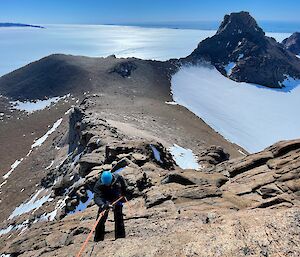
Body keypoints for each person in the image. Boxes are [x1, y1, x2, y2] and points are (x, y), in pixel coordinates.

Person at [93, 170, 128, 242]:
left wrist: (123, 193)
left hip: (116, 196)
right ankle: (98, 239)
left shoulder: (118, 177)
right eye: (106, 184)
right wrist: (102, 205)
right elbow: (97, 197)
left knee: (119, 216)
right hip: (105, 199)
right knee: (100, 219)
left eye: (108, 183)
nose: (107, 185)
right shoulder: (98, 185)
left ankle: (120, 237)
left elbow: (123, 184)